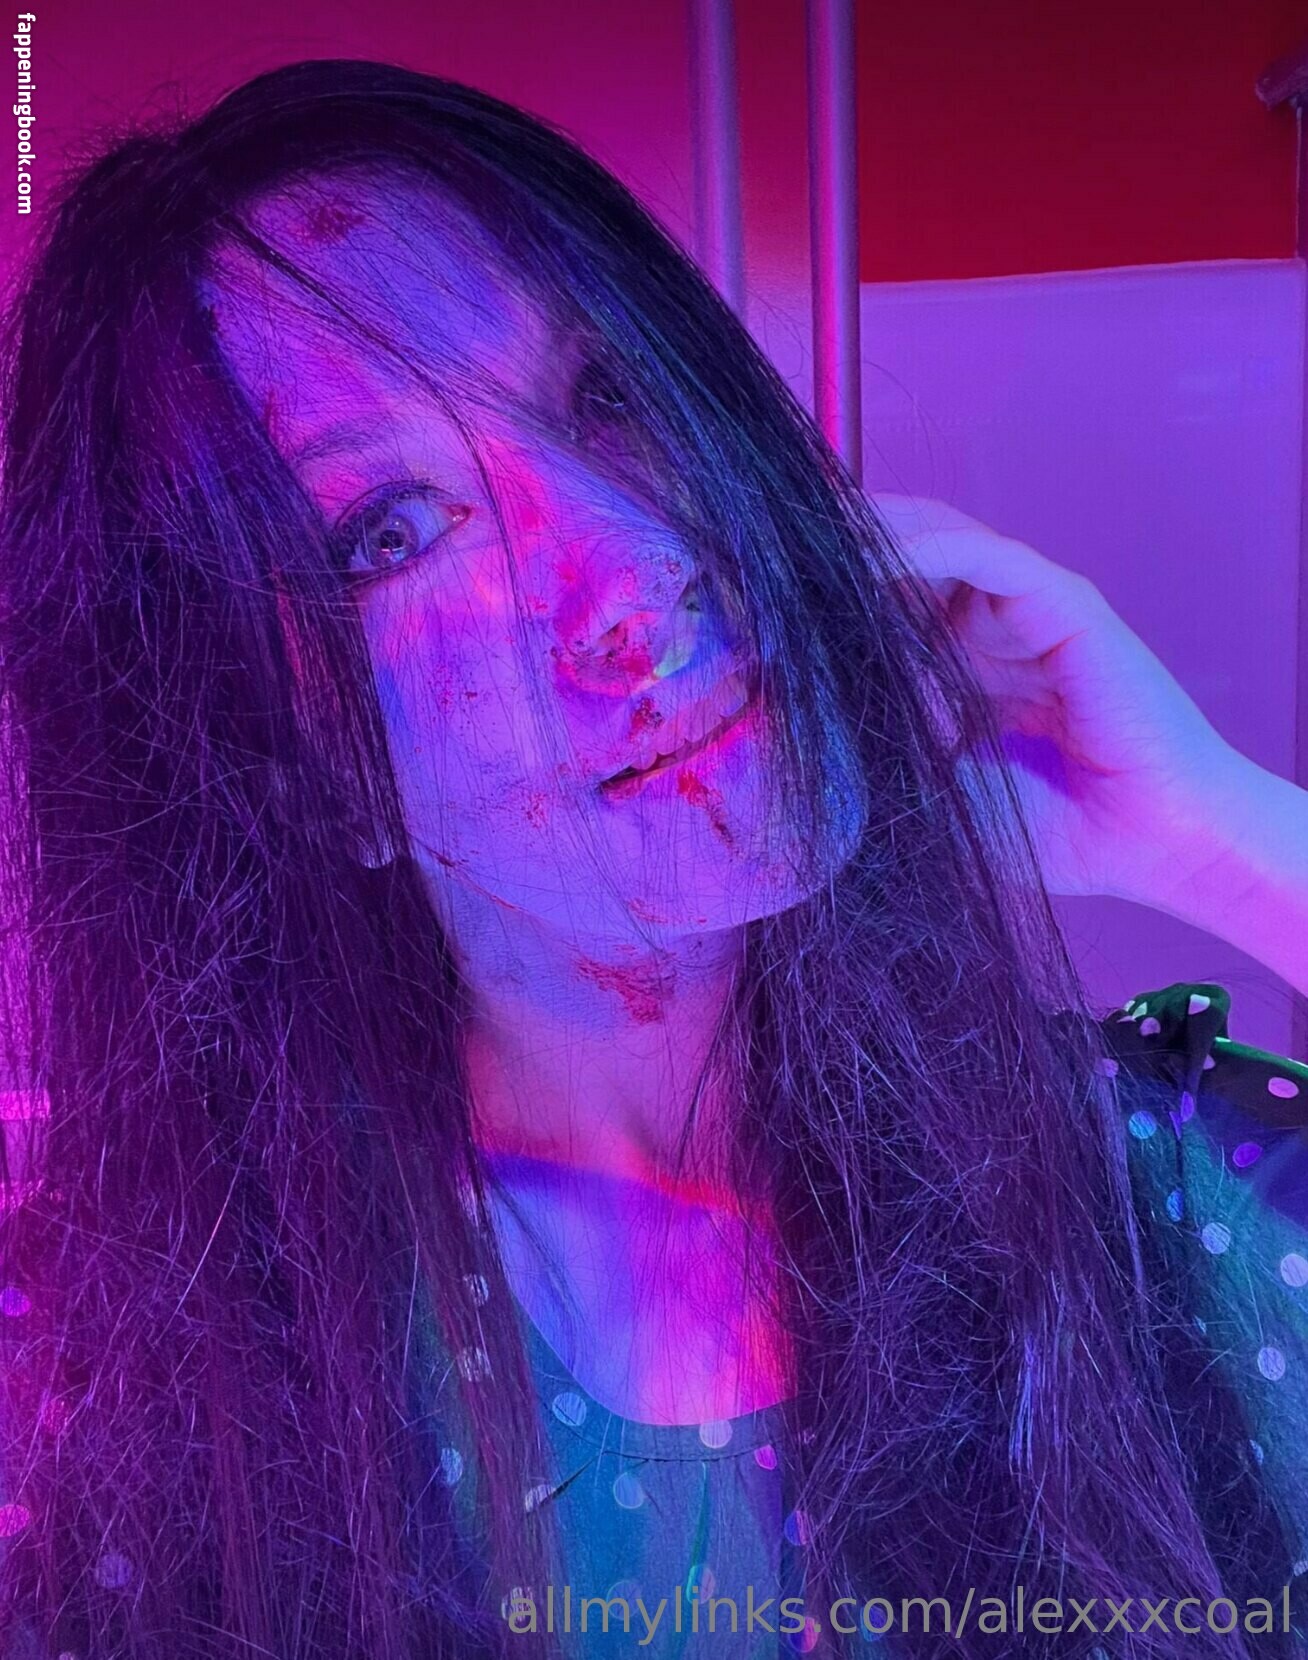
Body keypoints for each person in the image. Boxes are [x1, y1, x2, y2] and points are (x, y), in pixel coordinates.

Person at [0, 55, 1305, 1660]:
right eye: (389, 532)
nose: (636, 569)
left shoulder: (1161, 1187)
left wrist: (1216, 834)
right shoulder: (119, 1382)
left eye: (608, 395)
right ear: (294, 764)